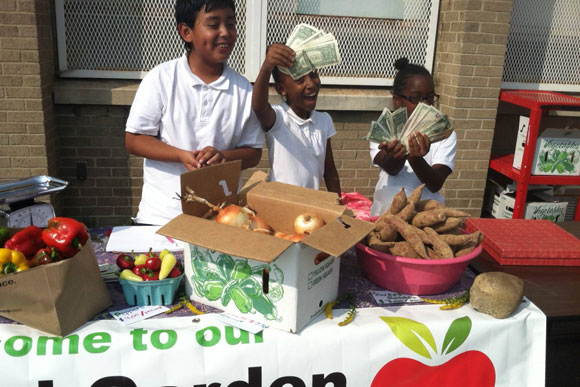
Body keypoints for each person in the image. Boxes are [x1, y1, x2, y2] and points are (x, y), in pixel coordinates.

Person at [125, 0, 263, 225]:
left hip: (221, 218)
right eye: (213, 24)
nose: (225, 33)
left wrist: (224, 157)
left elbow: (253, 152)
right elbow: (133, 140)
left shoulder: (245, 90)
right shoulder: (161, 79)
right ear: (186, 32)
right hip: (161, 217)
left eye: (230, 23)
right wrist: (180, 155)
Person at [251, 43, 341, 197]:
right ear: (282, 89)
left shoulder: (324, 121)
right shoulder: (278, 118)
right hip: (280, 204)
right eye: (299, 79)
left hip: (309, 209)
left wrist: (339, 209)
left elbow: (330, 172)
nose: (311, 84)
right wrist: (266, 67)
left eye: (313, 75)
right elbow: (259, 106)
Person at [369, 58, 457, 216]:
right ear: (397, 101)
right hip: (387, 210)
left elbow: (435, 183)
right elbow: (391, 168)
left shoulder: (445, 135)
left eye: (430, 97)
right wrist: (400, 153)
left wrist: (416, 159)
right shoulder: (385, 130)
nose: (426, 104)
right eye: (416, 98)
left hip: (426, 212)